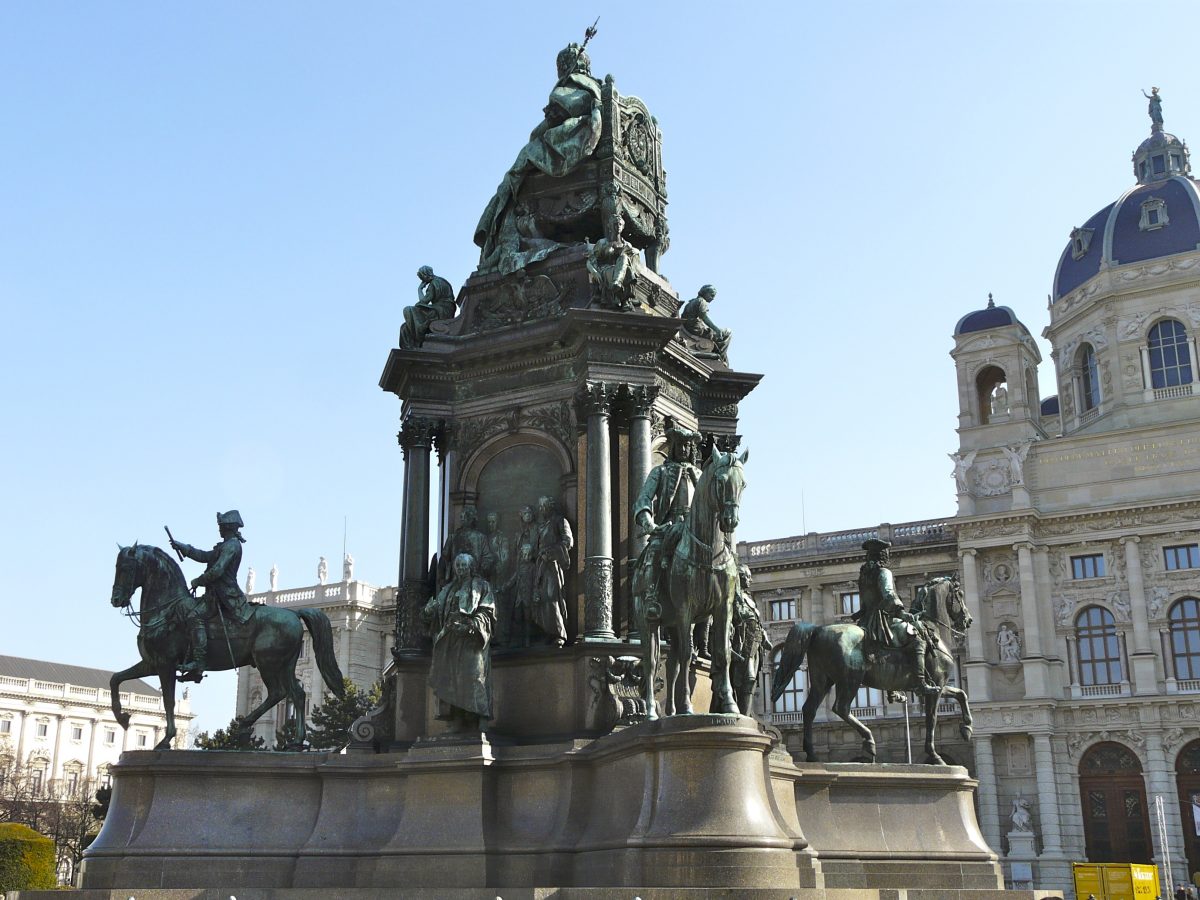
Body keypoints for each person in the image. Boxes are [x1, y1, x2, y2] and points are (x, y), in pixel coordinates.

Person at [474, 42, 603, 272]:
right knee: (518, 169)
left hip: (569, 145)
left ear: (563, 66)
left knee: (517, 170)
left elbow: (561, 114)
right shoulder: (593, 87)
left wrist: (554, 110)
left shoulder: (574, 86)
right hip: (578, 144)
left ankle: (505, 207)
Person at [169, 510, 253, 682]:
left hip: (225, 595)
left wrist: (199, 580)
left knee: (194, 616)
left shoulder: (232, 545)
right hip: (216, 593)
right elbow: (204, 556)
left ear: (228, 527)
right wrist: (182, 547)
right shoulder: (225, 545)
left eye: (221, 526)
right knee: (185, 608)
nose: (219, 530)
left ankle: (198, 663)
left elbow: (218, 570)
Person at [851, 538, 940, 695]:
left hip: (865, 621)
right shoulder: (883, 572)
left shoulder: (863, 576)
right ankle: (921, 683)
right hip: (883, 621)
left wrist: (859, 613)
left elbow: (865, 602)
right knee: (917, 638)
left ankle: (891, 689)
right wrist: (902, 613)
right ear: (883, 555)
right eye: (886, 553)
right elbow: (889, 594)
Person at [633, 420, 703, 614]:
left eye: (687, 445)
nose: (683, 449)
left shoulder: (699, 474)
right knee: (654, 552)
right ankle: (652, 597)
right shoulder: (660, 472)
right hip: (669, 526)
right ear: (672, 447)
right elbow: (643, 501)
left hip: (697, 529)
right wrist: (651, 525)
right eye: (679, 444)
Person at [421, 553, 496, 733]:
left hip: (471, 638)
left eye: (464, 565)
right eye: (458, 566)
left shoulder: (482, 586)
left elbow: (488, 611)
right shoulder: (447, 589)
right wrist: (428, 611)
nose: (461, 569)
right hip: (450, 637)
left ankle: (481, 718)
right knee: (451, 678)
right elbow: (431, 612)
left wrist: (472, 626)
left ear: (471, 567)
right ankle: (456, 719)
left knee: (474, 677)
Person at [730, 564, 771, 715]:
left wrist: (764, 634)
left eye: (748, 576)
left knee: (751, 681)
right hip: (741, 643)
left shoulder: (748, 598)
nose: (748, 579)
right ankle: (742, 716)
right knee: (746, 679)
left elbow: (755, 620)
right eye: (744, 576)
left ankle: (745, 715)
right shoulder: (733, 595)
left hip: (755, 643)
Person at [533, 495, 574, 647]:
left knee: (552, 598)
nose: (541, 509)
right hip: (541, 566)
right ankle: (547, 633)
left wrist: (550, 553)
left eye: (544, 506)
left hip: (554, 566)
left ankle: (559, 634)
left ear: (550, 506)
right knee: (540, 600)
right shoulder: (541, 525)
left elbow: (568, 541)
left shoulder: (559, 521)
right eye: (540, 507)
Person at [586, 214, 638, 309]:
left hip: (622, 270)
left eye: (620, 224)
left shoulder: (627, 245)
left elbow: (635, 263)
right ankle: (622, 296)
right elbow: (590, 261)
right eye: (615, 224)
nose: (617, 226)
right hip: (606, 270)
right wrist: (595, 272)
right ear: (609, 226)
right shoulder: (602, 243)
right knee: (625, 266)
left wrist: (635, 252)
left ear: (623, 227)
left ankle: (618, 283)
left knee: (624, 259)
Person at [399, 266, 457, 350]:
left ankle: (419, 332)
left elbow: (423, 302)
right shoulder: (442, 281)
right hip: (446, 310)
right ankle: (418, 332)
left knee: (408, 310)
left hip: (440, 311)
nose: (422, 280)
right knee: (405, 327)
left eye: (421, 277)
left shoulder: (434, 283)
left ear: (425, 275)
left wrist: (419, 289)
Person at [438, 505, 495, 586]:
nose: (462, 518)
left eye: (466, 516)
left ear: (472, 518)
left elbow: (488, 559)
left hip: (475, 580)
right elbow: (444, 559)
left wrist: (479, 572)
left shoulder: (480, 537)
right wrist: (441, 578)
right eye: (461, 516)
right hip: (456, 580)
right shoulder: (453, 537)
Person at [680, 285, 732, 363]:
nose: (713, 298)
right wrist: (716, 329)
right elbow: (704, 317)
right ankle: (721, 357)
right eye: (711, 295)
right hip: (697, 330)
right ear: (705, 292)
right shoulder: (701, 301)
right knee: (727, 332)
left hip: (690, 329)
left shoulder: (691, 302)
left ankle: (718, 352)